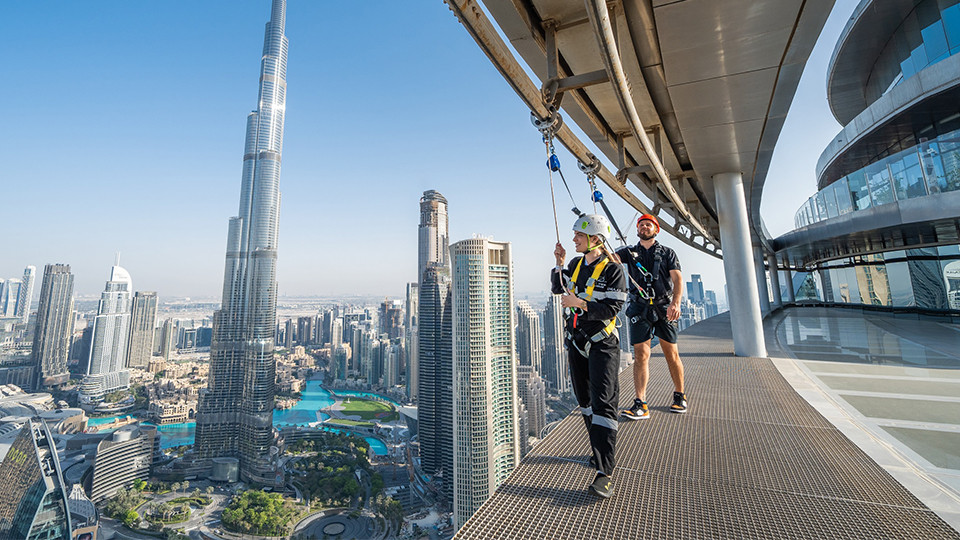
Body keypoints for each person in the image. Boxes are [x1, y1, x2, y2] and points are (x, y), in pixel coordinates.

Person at [551, 214, 627, 498]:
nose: (573, 240)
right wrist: (559, 263)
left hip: (602, 343)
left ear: (595, 239)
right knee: (584, 401)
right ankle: (598, 452)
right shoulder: (575, 264)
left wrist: (579, 303)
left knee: (604, 402)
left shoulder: (613, 271)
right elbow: (559, 287)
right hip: (577, 341)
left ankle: (605, 473)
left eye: (578, 237)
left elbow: (612, 307)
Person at [614, 213, 687, 419]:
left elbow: (678, 279)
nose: (644, 227)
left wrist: (676, 303)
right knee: (641, 356)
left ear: (656, 230)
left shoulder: (667, 253)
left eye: (648, 225)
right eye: (642, 225)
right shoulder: (629, 252)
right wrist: (598, 239)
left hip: (664, 306)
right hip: (640, 307)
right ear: (637, 230)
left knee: (671, 354)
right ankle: (640, 402)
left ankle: (680, 395)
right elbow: (610, 259)